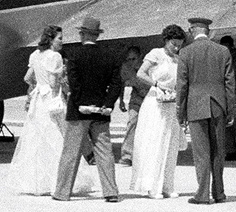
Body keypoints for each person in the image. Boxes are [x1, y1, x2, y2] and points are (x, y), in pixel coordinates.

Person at [10, 25, 92, 195]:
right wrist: (62, 73)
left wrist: (37, 85)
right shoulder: (55, 57)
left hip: (39, 99)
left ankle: (36, 182)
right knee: (58, 137)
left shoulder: (35, 55)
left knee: (37, 139)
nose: (62, 42)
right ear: (51, 39)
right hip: (51, 99)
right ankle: (59, 181)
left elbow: (27, 78)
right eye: (60, 38)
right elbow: (54, 84)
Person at [55, 16, 122, 202]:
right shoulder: (110, 56)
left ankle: (62, 192)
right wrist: (108, 105)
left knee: (71, 152)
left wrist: (80, 104)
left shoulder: (74, 55)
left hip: (78, 111)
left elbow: (74, 84)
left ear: (83, 34)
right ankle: (111, 191)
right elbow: (116, 83)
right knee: (104, 152)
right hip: (101, 111)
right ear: (97, 35)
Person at [176, 16, 236, 204]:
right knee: (218, 151)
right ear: (207, 31)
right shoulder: (223, 51)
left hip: (196, 106)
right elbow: (230, 84)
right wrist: (231, 110)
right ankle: (219, 193)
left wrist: (181, 112)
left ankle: (202, 194)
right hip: (218, 105)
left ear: (193, 30)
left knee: (201, 153)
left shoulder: (186, 53)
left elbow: (182, 85)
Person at [128, 25, 187, 198]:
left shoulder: (177, 59)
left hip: (171, 102)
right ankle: (152, 185)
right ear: (167, 41)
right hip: (155, 102)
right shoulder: (155, 54)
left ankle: (167, 185)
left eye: (179, 45)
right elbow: (141, 73)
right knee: (155, 143)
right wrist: (157, 85)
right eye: (174, 44)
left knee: (170, 144)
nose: (176, 48)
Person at [118, 45, 148, 166]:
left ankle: (146, 154)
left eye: (134, 58)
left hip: (149, 97)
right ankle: (127, 155)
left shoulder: (147, 65)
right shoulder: (126, 68)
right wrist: (121, 100)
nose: (131, 62)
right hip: (136, 97)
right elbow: (121, 84)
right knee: (132, 122)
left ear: (140, 57)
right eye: (129, 59)